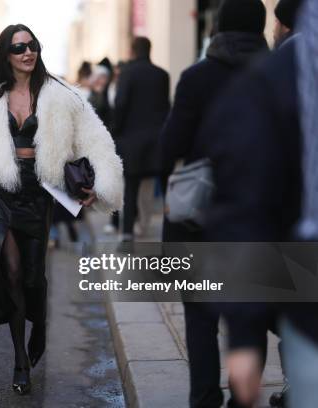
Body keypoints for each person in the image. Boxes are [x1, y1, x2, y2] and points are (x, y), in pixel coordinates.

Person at [0, 24, 124, 395]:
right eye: (18, 48)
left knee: (33, 278)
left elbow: (95, 138)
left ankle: (41, 326)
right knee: (9, 271)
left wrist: (104, 183)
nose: (28, 52)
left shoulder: (61, 95)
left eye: (33, 45)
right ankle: (19, 360)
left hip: (37, 193)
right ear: (6, 55)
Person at [198, 0, 318, 405]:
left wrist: (245, 335)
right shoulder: (283, 76)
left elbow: (243, 205)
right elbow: (247, 206)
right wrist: (245, 331)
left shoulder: (268, 77)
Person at [160, 1, 269, 406]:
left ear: (217, 28)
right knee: (251, 312)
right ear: (262, 28)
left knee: (201, 315)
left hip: (201, 217)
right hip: (260, 215)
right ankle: (245, 397)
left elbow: (171, 145)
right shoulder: (278, 77)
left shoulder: (197, 77)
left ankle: (205, 397)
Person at [111, 36, 170, 242]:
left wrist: (116, 132)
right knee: (164, 189)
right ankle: (169, 233)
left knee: (131, 187)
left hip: (132, 141)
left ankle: (127, 233)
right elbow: (165, 107)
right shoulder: (162, 75)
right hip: (158, 140)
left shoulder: (127, 74)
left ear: (133, 51)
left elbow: (121, 105)